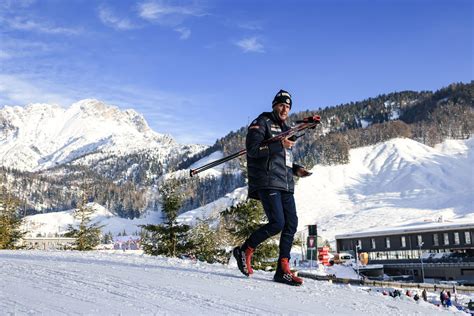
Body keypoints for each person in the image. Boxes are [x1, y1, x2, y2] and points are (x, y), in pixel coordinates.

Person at [233, 89, 313, 286]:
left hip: (285, 182)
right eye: (281, 105)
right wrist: (280, 145)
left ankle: (282, 270)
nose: (285, 109)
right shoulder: (262, 122)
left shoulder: (286, 128)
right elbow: (253, 150)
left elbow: (282, 158)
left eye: (288, 106)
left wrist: (296, 169)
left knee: (291, 223)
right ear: (274, 105)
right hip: (267, 180)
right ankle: (244, 249)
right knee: (277, 222)